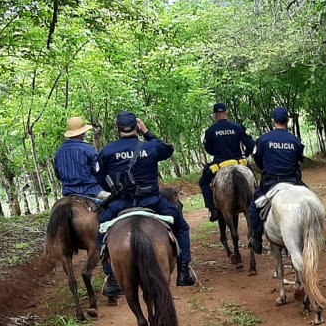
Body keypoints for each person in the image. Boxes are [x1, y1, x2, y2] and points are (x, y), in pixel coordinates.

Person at [96, 111, 196, 294]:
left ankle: (111, 277)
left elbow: (100, 178)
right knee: (181, 227)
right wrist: (147, 132)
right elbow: (168, 149)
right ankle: (183, 270)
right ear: (137, 126)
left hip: (121, 203)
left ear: (117, 129)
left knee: (100, 231)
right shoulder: (150, 146)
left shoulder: (107, 151)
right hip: (152, 201)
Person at [248, 107, 305, 254]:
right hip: (293, 182)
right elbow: (299, 161)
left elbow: (258, 160)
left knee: (254, 207)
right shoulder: (295, 140)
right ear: (288, 121)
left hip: (271, 183)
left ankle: (257, 239)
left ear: (273, 121)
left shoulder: (263, 139)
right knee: (310, 199)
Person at [199, 103, 255, 223]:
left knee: (203, 182)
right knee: (252, 176)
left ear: (215, 115)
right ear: (226, 112)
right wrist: (245, 154)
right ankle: (257, 202)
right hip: (238, 161)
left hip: (220, 163)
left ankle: (212, 209)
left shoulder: (210, 131)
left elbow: (209, 149)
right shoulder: (237, 127)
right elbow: (251, 145)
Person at [54, 117, 106, 200]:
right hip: (91, 191)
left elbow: (58, 175)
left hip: (68, 193)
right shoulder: (88, 149)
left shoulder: (59, 152)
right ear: (82, 133)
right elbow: (98, 171)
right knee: (114, 202)